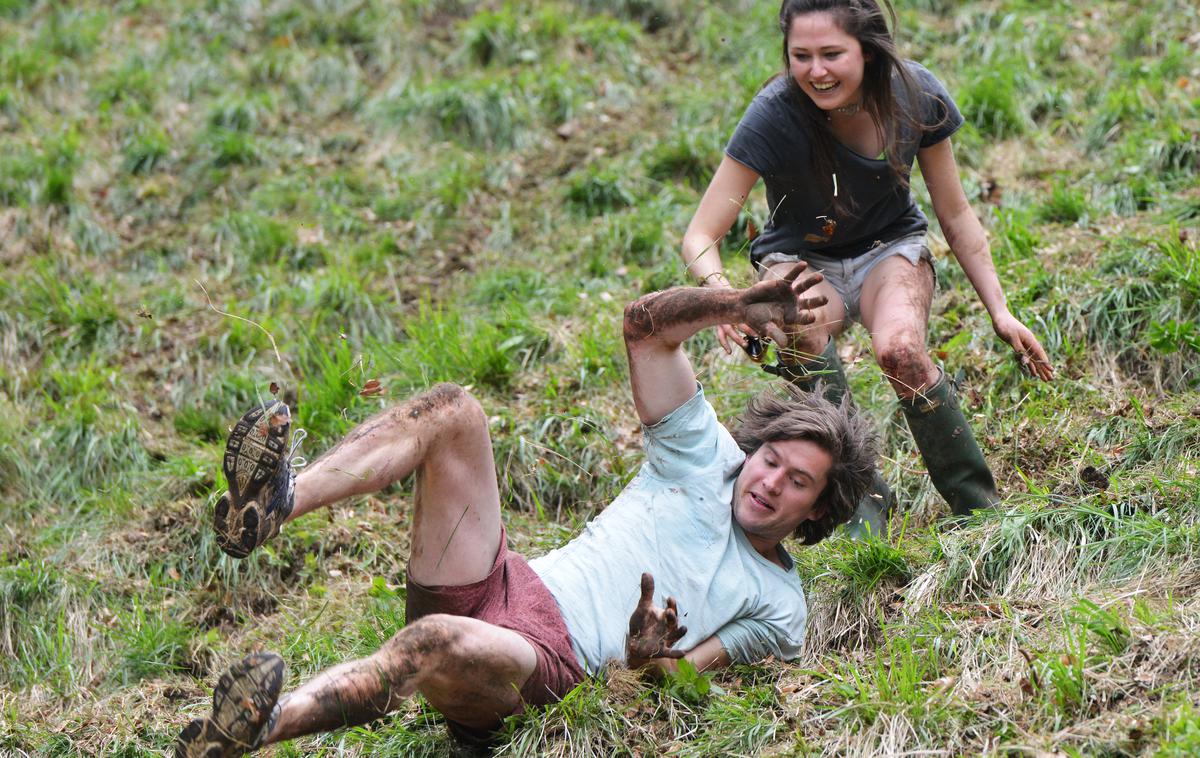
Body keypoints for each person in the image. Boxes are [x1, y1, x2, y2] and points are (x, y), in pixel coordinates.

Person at [176, 264, 879, 757]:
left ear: (818, 512)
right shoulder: (708, 457)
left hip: (547, 667)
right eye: (772, 460)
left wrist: (646, 658)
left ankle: (256, 729)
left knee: (431, 645)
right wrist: (737, 304)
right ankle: (275, 502)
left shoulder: (780, 604)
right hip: (507, 584)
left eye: (798, 483)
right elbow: (642, 326)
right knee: (452, 410)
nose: (769, 482)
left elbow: (686, 674)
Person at [678, 0, 1054, 537]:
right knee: (800, 336)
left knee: (901, 352)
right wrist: (724, 298)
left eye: (832, 53)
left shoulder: (914, 93)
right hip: (801, 262)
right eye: (800, 56)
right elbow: (700, 233)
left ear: (868, 51)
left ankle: (980, 512)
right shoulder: (774, 113)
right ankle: (863, 508)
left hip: (889, 249)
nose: (816, 70)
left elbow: (955, 212)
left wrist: (1001, 311)